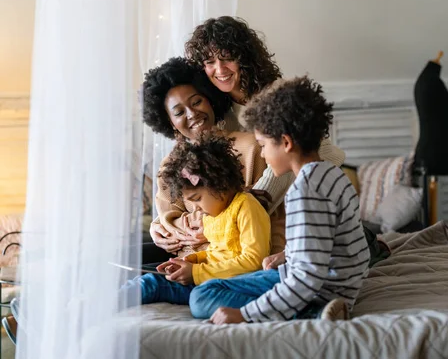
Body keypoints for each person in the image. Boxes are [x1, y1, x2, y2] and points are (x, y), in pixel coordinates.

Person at [188, 76, 370, 323]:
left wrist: (244, 314)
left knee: (202, 296)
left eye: (263, 145)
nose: (261, 152)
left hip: (319, 294)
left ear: (285, 142)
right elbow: (331, 241)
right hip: (343, 286)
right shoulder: (332, 174)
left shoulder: (304, 190)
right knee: (219, 284)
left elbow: (306, 279)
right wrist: (288, 254)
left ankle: (310, 314)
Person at [185, 16, 346, 214]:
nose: (219, 69)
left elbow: (285, 164)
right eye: (210, 62)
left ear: (244, 57)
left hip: (315, 181)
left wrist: (242, 213)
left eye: (227, 58)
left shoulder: (276, 94)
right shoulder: (216, 109)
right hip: (268, 197)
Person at [141, 57, 286, 260]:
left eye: (197, 101)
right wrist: (163, 226)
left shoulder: (251, 148)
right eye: (179, 112)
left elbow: (268, 214)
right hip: (189, 262)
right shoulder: (169, 166)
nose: (192, 114)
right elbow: (168, 221)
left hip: (244, 260)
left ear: (209, 99)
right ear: (170, 122)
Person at [120, 135, 271, 307]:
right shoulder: (214, 215)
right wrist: (194, 260)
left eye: (197, 198)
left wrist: (196, 272)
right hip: (210, 276)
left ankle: (102, 307)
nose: (195, 207)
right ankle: (101, 304)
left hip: (230, 283)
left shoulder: (246, 207)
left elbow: (254, 261)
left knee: (150, 284)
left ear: (219, 184)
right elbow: (217, 252)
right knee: (147, 277)